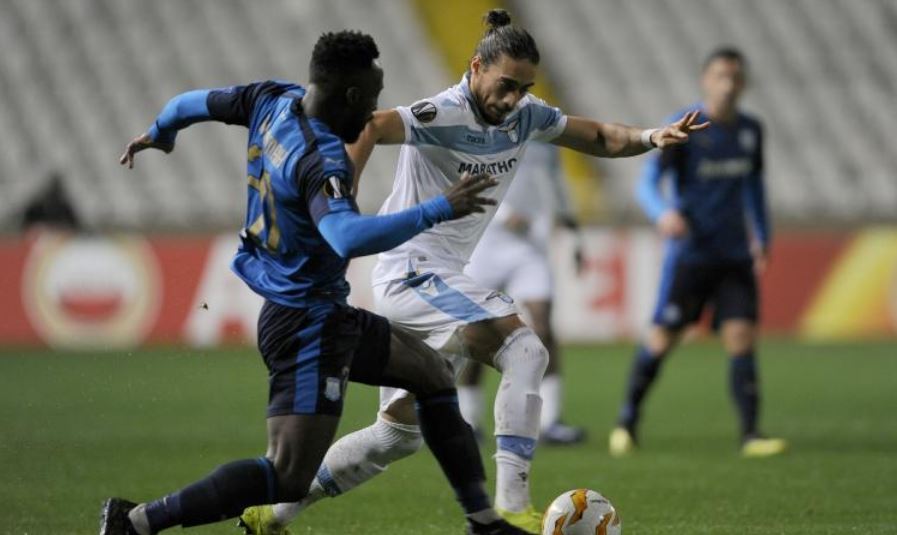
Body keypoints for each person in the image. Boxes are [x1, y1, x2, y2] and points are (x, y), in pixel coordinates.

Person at [244, 10, 707, 534]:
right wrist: (341, 196)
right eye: (506, 85)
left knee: (396, 436)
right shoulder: (441, 112)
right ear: (476, 67)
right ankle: (511, 506)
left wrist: (651, 135)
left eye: (523, 88)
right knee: (526, 351)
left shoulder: (526, 116)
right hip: (413, 271)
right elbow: (371, 123)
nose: (512, 99)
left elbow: (599, 135)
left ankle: (273, 514)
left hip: (433, 276)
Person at [99, 30, 532, 535]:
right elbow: (345, 237)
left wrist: (162, 131)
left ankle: (484, 523)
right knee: (287, 475)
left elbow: (189, 103)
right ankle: (137, 521)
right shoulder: (322, 158)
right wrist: (438, 208)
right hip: (305, 325)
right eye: (370, 99)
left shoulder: (270, 99)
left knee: (434, 374)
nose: (372, 113)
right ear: (350, 95)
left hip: (323, 311)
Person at [608, 47, 788, 458]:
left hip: (734, 255)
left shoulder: (751, 131)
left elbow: (754, 187)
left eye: (735, 77)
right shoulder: (686, 126)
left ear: (743, 84)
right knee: (661, 339)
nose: (728, 84)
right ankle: (626, 422)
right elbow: (647, 181)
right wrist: (663, 212)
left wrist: (762, 235)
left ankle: (751, 435)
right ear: (705, 80)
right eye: (720, 76)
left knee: (741, 337)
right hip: (690, 254)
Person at [460, 142, 585, 445]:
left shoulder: (545, 136)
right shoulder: (484, 134)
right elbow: (463, 178)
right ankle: (468, 420)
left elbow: (555, 180)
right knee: (477, 331)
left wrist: (574, 232)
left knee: (543, 326)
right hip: (485, 243)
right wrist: (504, 214)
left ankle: (551, 421)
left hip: (530, 244)